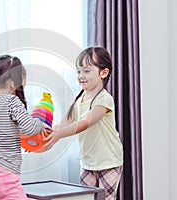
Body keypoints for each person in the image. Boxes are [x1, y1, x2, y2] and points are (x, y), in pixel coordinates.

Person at [44, 47, 123, 200]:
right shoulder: (80, 98)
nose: (81, 76)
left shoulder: (103, 99)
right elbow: (66, 122)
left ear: (103, 73)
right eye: (78, 72)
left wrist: (59, 134)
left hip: (109, 161)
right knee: (85, 198)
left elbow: (85, 123)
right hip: (88, 162)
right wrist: (51, 133)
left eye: (86, 71)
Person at [0, 55, 52, 200]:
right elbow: (29, 128)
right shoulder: (12, 102)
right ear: (12, 83)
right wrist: (39, 124)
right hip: (4, 178)